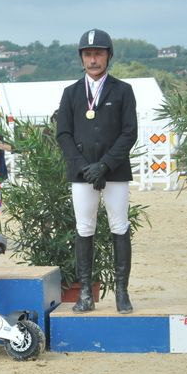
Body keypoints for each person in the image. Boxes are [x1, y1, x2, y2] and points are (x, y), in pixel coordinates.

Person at [56, 29, 138, 314]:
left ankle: (122, 293)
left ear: (108, 56)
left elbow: (129, 133)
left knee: (119, 226)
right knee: (84, 228)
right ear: (82, 58)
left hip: (114, 171)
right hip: (82, 174)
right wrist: (84, 167)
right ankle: (85, 295)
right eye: (88, 54)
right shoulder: (71, 94)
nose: (93, 59)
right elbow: (63, 134)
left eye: (98, 54)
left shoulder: (123, 91)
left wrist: (104, 165)